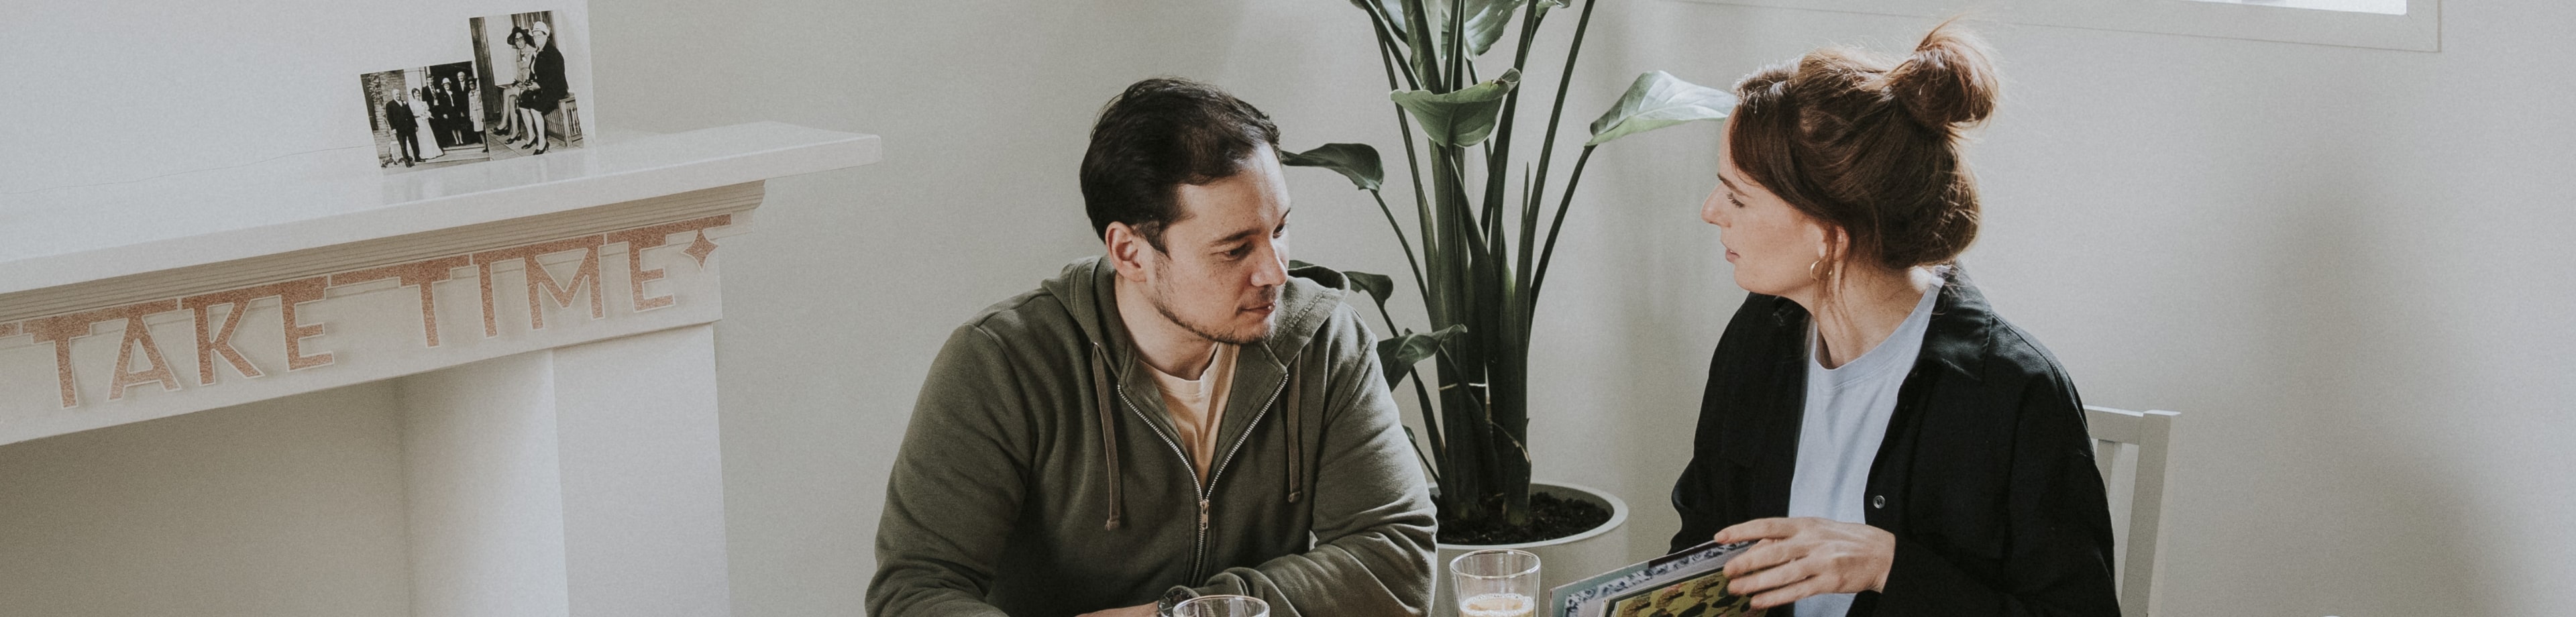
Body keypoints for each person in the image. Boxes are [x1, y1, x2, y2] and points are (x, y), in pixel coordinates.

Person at [869, 77, 1436, 617]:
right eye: (1235, 249)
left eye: (1279, 229)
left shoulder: (1324, 341)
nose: (1274, 271)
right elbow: (915, 591)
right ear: (1131, 253)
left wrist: (1186, 612)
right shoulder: (1002, 364)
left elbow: (1397, 557)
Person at [1667, 23, 2121, 616]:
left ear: (1830, 236)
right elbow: (1705, 545)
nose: (1710, 211)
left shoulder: (2017, 395)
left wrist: (1889, 567)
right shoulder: (1760, 334)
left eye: (1738, 196)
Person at [518, 20, 567, 154]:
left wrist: (539, 85)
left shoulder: (553, 53)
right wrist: (529, 83)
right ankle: (532, 136)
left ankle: (542, 143)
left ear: (546, 36)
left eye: (539, 35)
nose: (536, 39)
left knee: (535, 109)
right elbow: (536, 72)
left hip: (556, 89)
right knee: (523, 103)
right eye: (535, 36)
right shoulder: (539, 52)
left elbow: (555, 77)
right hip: (542, 87)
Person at [382, 90, 417, 167]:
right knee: (403, 145)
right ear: (393, 95)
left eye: (399, 94)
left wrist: (415, 125)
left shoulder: (405, 103)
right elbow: (390, 118)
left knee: (414, 142)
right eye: (396, 94)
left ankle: (417, 158)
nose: (398, 95)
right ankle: (407, 162)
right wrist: (393, 128)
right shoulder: (390, 105)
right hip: (400, 129)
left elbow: (410, 115)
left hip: (409, 127)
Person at [407, 87, 443, 160]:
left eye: (418, 93)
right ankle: (425, 154)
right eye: (416, 94)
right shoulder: (412, 104)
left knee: (428, 136)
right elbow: (412, 114)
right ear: (413, 95)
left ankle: (433, 152)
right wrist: (420, 115)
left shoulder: (424, 103)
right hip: (419, 121)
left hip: (425, 122)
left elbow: (427, 110)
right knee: (423, 137)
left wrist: (427, 114)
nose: (417, 95)